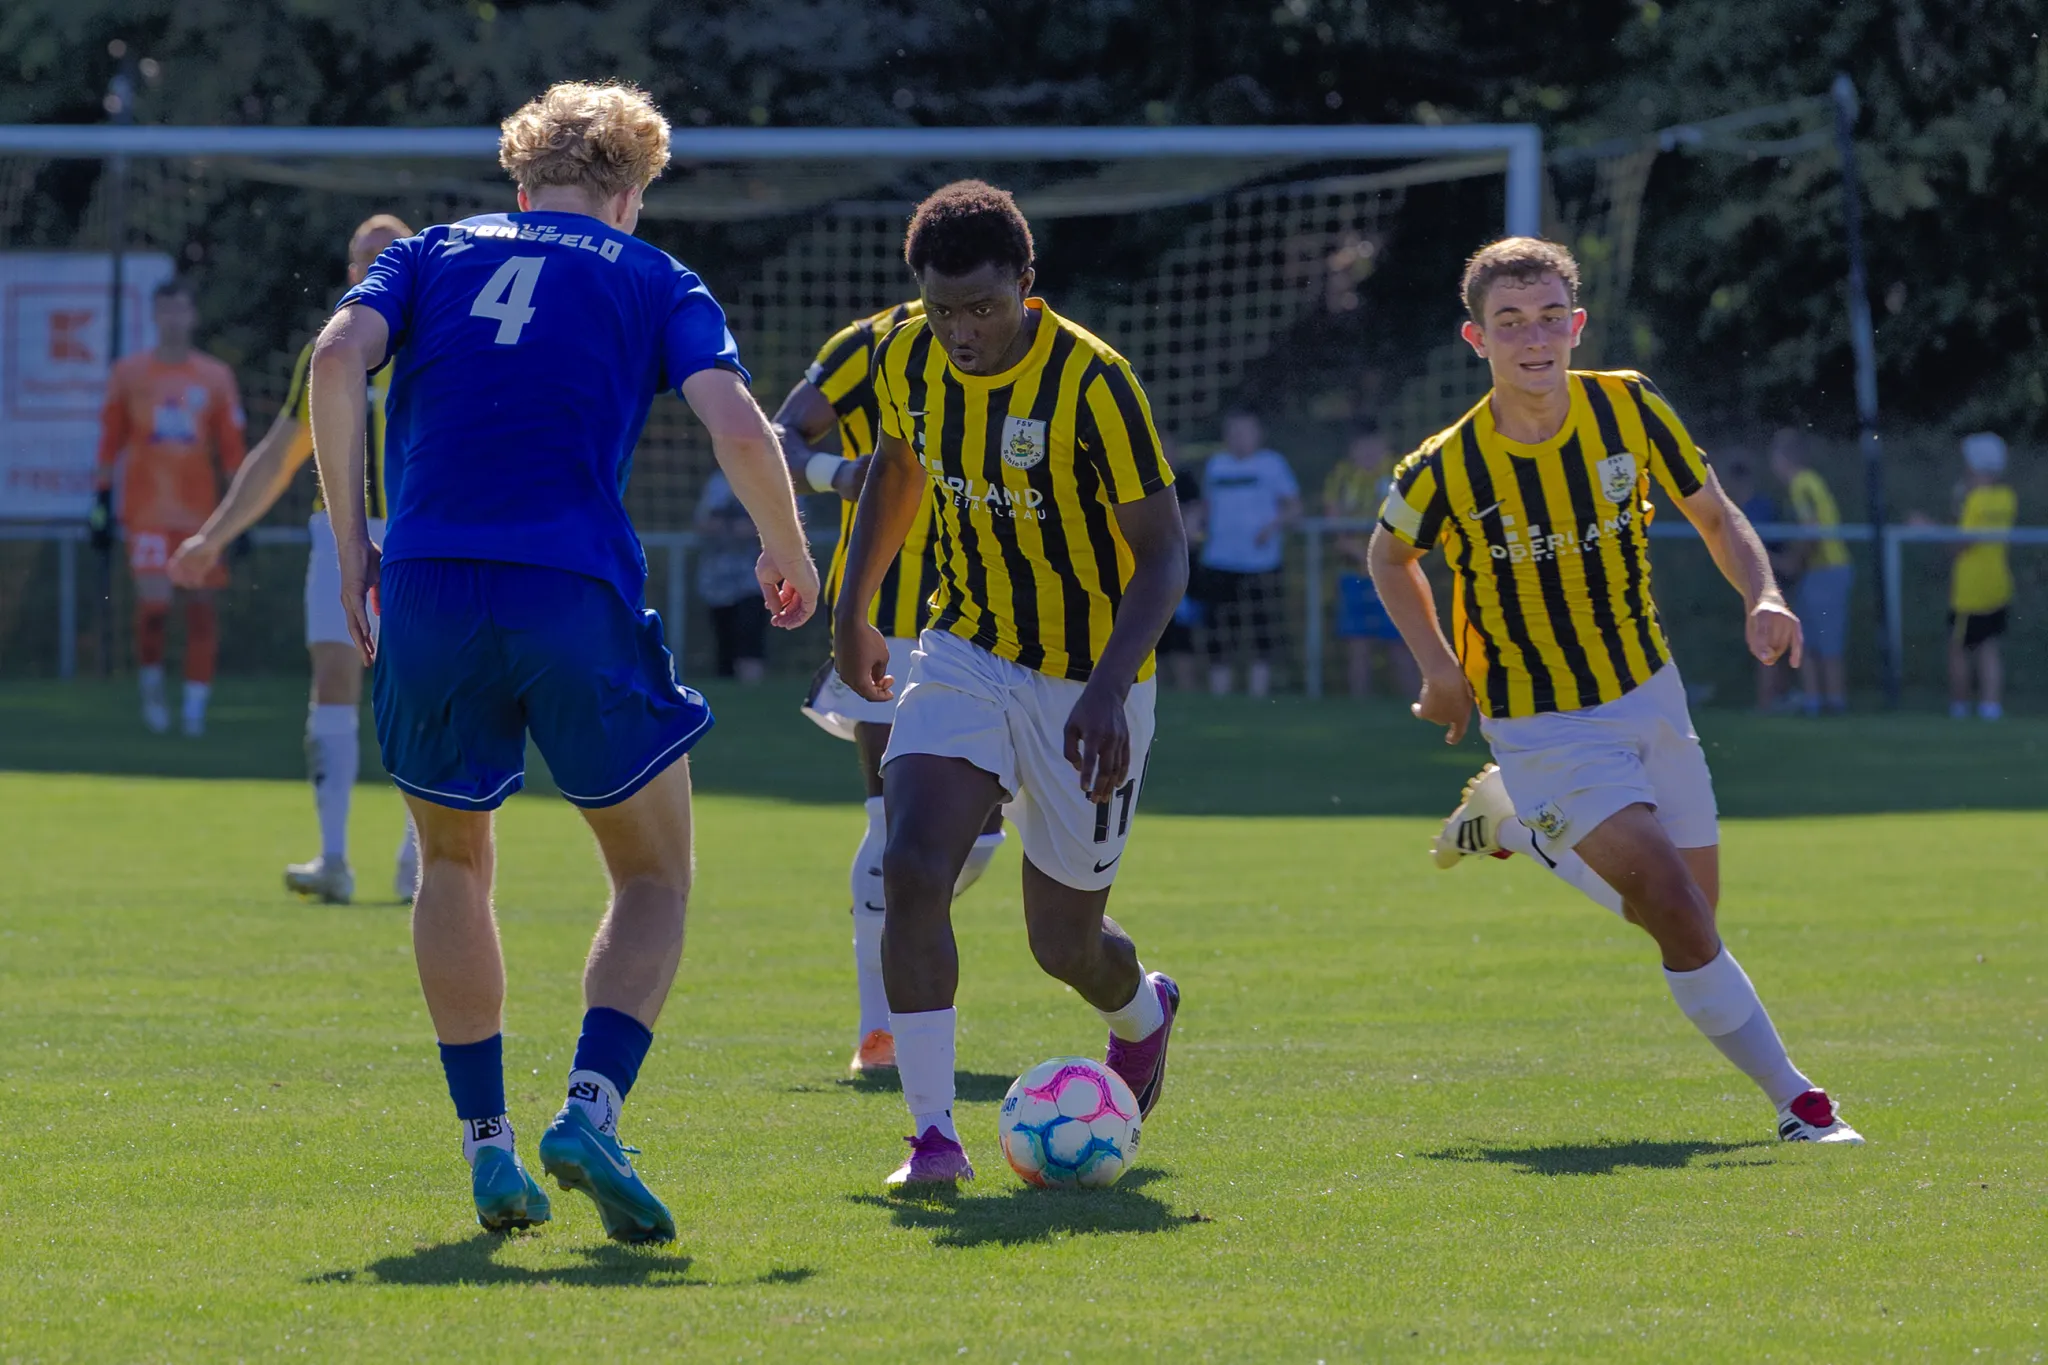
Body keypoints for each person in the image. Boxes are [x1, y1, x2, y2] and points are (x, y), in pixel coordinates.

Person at [309, 81, 818, 1240]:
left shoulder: (429, 253)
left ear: (520, 177)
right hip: (568, 588)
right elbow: (738, 425)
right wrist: (788, 553)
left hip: (428, 585)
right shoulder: (652, 275)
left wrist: (353, 548)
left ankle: (486, 1144)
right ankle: (589, 1110)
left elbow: (336, 359)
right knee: (653, 877)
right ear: (630, 193)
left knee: (451, 862)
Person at [1373, 236, 1861, 1146]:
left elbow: (1714, 512)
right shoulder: (1443, 466)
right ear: (1476, 338)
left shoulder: (1629, 405)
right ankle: (1799, 1102)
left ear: (1577, 324)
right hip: (1540, 721)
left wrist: (1762, 592)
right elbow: (1388, 557)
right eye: (1510, 322)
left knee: (1689, 917)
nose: (1534, 338)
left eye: (1549, 317)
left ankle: (1516, 825)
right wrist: (1439, 668)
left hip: (1649, 691)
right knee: (1675, 906)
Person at [832, 180, 1188, 1188]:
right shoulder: (904, 355)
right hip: (964, 647)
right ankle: (933, 1139)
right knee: (910, 864)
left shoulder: (1095, 383)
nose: (960, 332)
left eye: (982, 308)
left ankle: (1144, 1012)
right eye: (942, 309)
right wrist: (852, 608)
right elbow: (895, 468)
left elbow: (1164, 555)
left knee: (1062, 944)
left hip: (1090, 679)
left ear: (1027, 285)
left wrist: (1108, 688)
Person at [778, 298, 1009, 1075]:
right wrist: (836, 472)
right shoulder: (872, 341)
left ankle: (905, 920)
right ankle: (879, 1029)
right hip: (887, 617)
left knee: (978, 838)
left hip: (993, 623)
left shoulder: (1026, 345)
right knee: (893, 820)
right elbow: (781, 433)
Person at [169, 215, 422, 905]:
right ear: (351, 271)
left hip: (421, 533)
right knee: (334, 679)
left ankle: (420, 860)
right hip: (337, 531)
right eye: (365, 257)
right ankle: (333, 857)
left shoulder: (438, 342)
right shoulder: (329, 349)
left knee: (423, 687)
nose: (376, 265)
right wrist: (212, 536)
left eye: (391, 254)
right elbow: (281, 453)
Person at [93, 278, 247, 737]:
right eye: (165, 310)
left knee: (200, 610)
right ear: (154, 316)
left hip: (202, 518)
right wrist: (100, 502)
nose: (173, 319)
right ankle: (153, 689)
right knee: (155, 607)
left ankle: (195, 709)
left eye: (180, 310)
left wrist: (243, 514)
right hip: (147, 514)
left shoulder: (215, 377)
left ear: (192, 316)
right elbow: (110, 442)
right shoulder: (129, 374)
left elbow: (232, 450)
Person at [1199, 409, 1300, 697]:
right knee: (1220, 630)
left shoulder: (1272, 464)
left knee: (1262, 628)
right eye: (1233, 432)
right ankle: (1220, 695)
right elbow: (1206, 507)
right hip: (1219, 560)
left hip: (1261, 562)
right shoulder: (1216, 465)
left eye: (1245, 431)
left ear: (1258, 434)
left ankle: (1259, 693)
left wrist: (1272, 527)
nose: (1239, 438)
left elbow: (1294, 507)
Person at [1321, 419, 1417, 699]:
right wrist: (1360, 554)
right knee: (1357, 643)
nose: (1368, 452)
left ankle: (1417, 704)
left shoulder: (1399, 474)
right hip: (1354, 572)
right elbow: (1333, 523)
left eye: (1374, 445)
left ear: (1385, 444)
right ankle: (1359, 704)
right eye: (1361, 446)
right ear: (1352, 448)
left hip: (1393, 572)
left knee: (1402, 642)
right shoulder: (1341, 477)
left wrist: (1380, 556)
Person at [1770, 427, 1853, 716]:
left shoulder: (1801, 484)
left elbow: (1812, 530)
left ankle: (1832, 702)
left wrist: (1794, 561)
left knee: (1825, 639)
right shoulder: (1809, 481)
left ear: (1784, 458)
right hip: (1821, 570)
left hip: (1826, 569)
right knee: (1809, 637)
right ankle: (1816, 701)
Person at [1949, 431, 2016, 721]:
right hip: (1998, 583)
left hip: (1971, 588)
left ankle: (1960, 706)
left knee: (1959, 648)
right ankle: (1990, 706)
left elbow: (1962, 543)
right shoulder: (2007, 498)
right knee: (1989, 647)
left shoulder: (1975, 500)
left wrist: (1927, 527)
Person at [1718, 454, 1791, 713]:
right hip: (1756, 582)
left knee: (1767, 638)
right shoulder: (1745, 509)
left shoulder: (1757, 509)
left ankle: (1768, 702)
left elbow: (1763, 550)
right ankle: (1773, 700)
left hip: (1768, 583)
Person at [694, 469, 769, 682]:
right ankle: (727, 680)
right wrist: (720, 526)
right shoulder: (717, 483)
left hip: (755, 577)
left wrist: (756, 528)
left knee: (750, 633)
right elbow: (702, 522)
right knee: (724, 637)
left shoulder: (769, 477)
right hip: (717, 578)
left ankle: (752, 683)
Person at [1152, 435, 1210, 692]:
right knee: (1154, 631)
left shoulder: (1185, 481)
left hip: (1181, 563)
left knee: (1183, 630)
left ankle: (1187, 687)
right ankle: (1159, 688)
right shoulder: (1143, 478)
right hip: (1149, 564)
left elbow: (1194, 524)